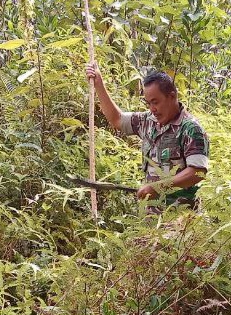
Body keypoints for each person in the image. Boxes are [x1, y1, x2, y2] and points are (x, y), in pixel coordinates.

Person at [85, 64, 209, 211]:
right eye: (148, 103)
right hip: (151, 220)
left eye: (155, 102)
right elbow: (117, 119)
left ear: (172, 96)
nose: (152, 109)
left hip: (181, 221)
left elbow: (197, 173)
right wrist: (98, 84)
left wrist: (158, 187)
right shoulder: (148, 121)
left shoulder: (191, 128)